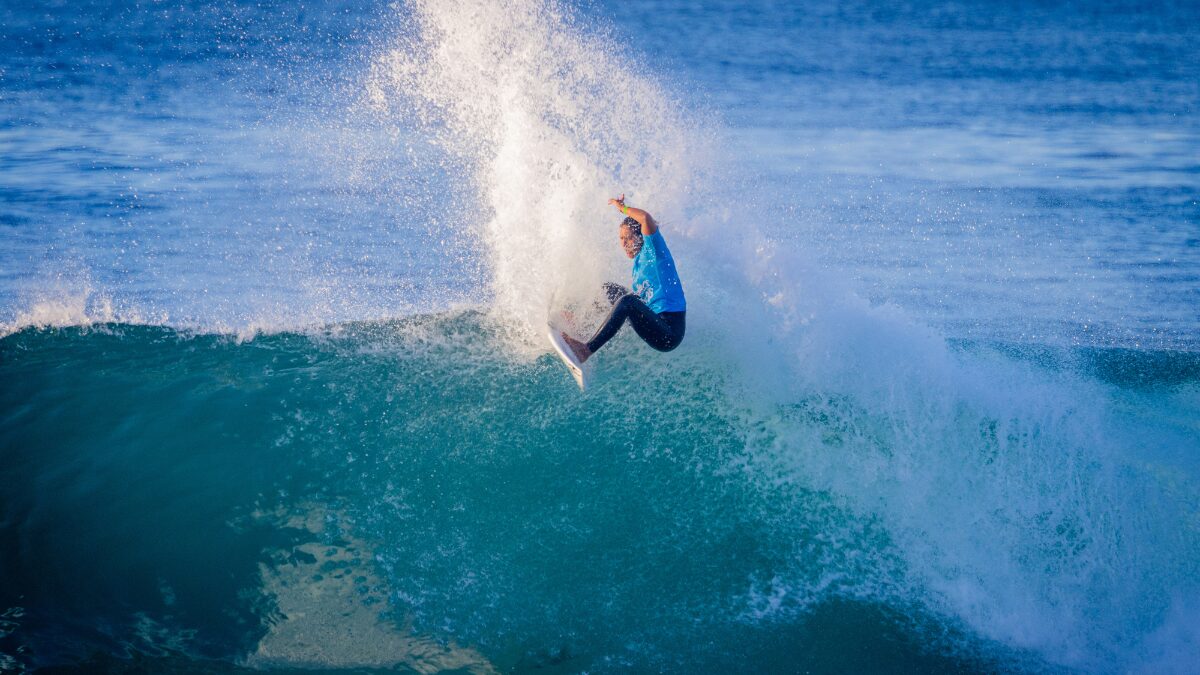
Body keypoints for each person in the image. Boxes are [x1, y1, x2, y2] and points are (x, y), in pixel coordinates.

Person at [562, 195, 686, 363]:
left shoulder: (654, 250)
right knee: (610, 289)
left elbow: (645, 218)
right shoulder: (638, 262)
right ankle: (580, 328)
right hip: (653, 320)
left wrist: (622, 209)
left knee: (627, 301)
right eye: (621, 238)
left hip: (668, 333)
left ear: (641, 236)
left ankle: (586, 350)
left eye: (629, 238)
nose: (624, 243)